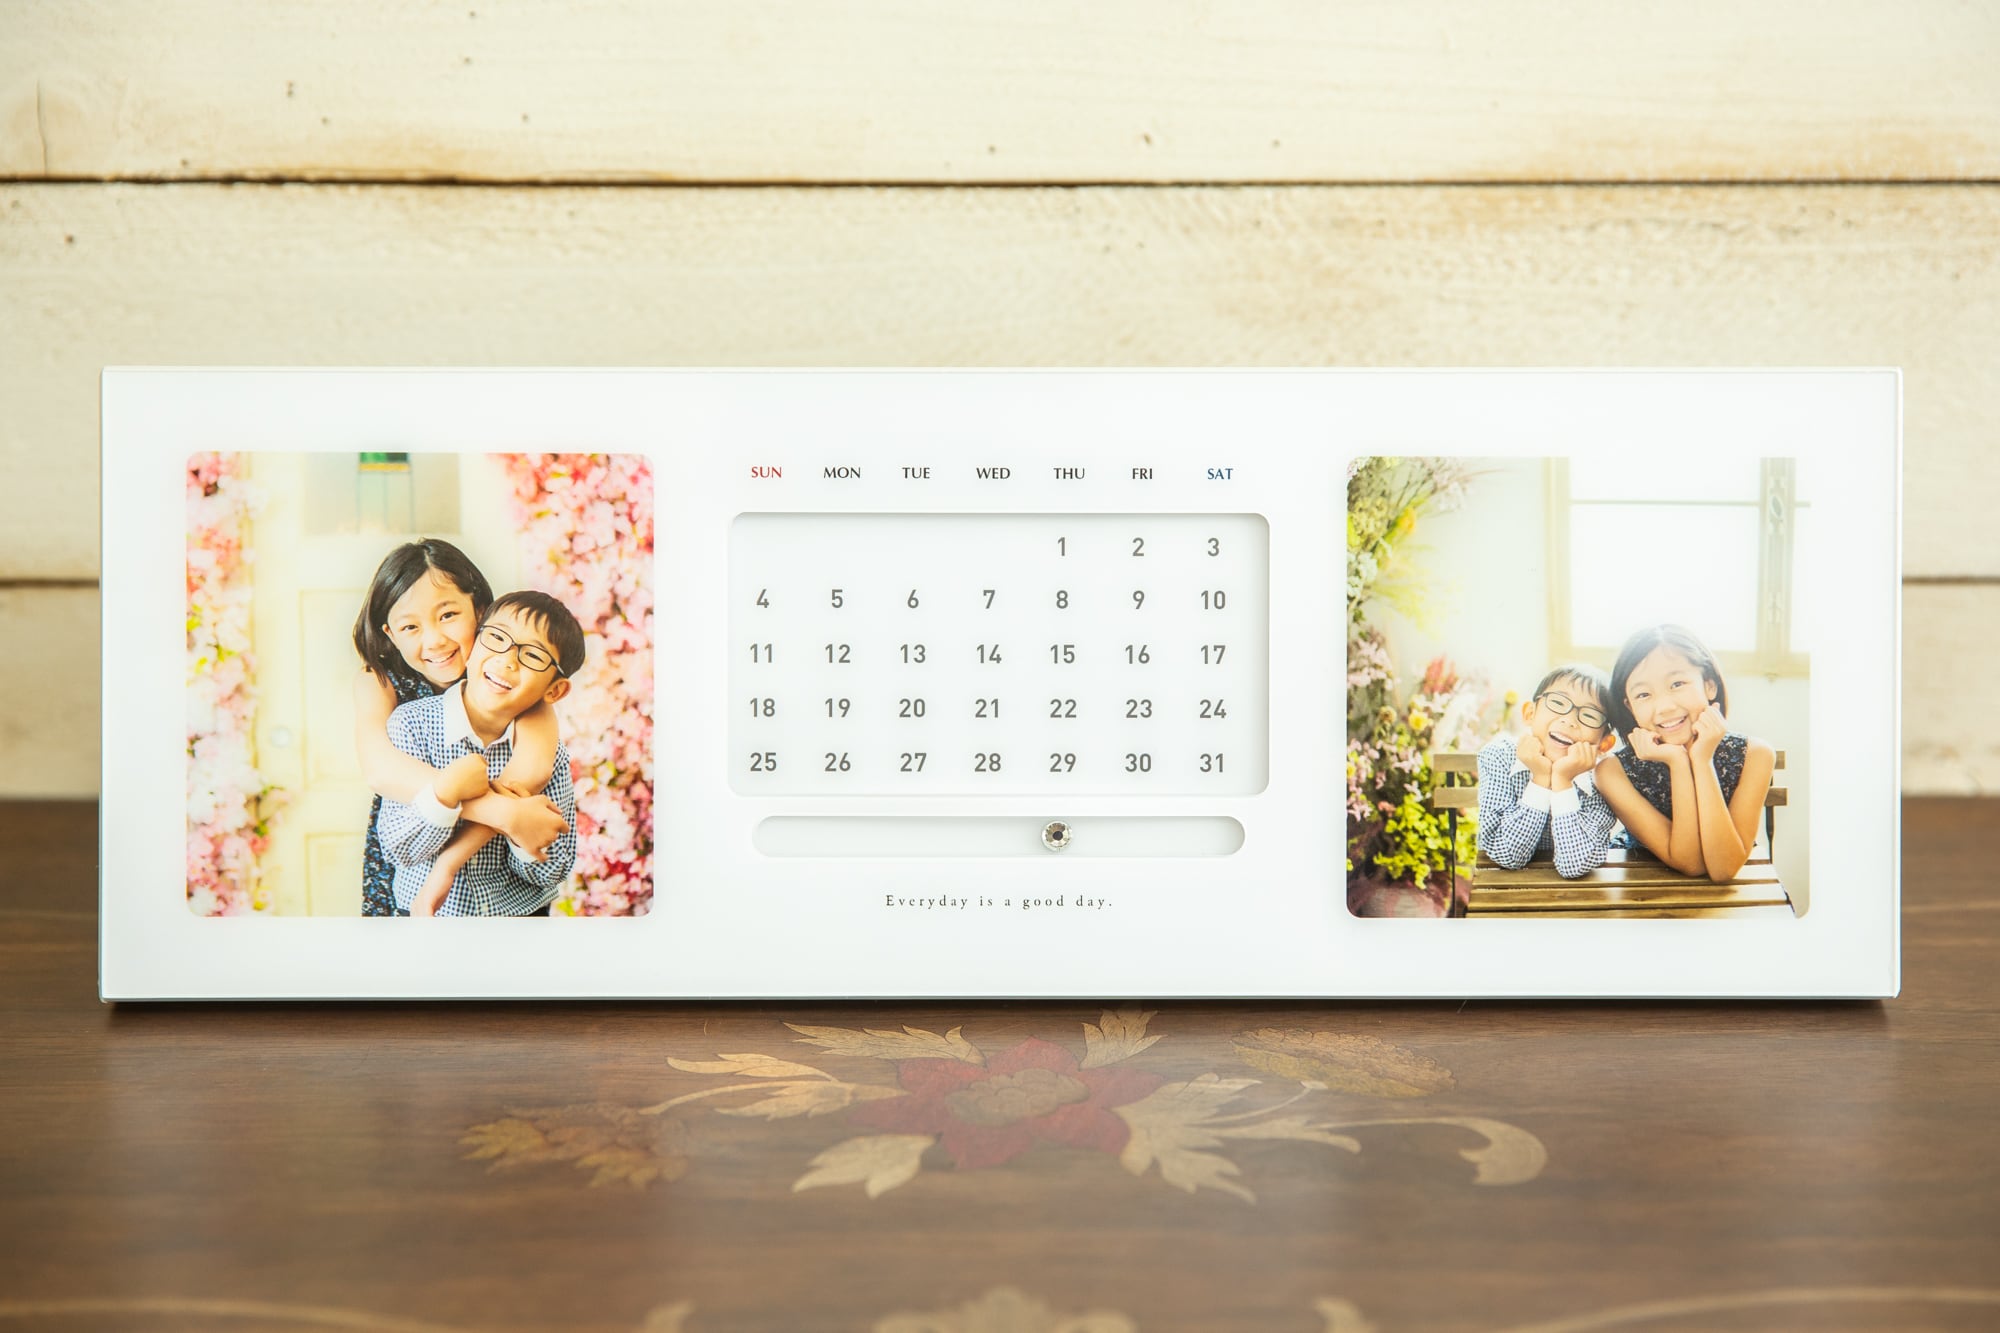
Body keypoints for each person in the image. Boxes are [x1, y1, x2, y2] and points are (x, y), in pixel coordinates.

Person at [351, 541, 564, 916]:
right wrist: (502, 813)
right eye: (410, 626)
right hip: (416, 852)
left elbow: (527, 776)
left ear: (479, 610)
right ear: (390, 634)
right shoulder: (380, 682)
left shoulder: (511, 684)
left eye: (448, 615)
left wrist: (491, 823)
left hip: (499, 882)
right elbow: (381, 771)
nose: (434, 640)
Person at [1594, 624, 1776, 882]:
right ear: (1629, 706)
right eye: (1643, 694)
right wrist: (1678, 762)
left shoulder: (1755, 755)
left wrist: (1702, 760)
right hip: (1642, 888)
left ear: (1709, 685)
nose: (1665, 706)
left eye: (1677, 683)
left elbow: (1723, 870)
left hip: (1724, 898)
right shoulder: (1611, 771)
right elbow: (1691, 864)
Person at [1475, 664, 1620, 879]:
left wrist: (1563, 781)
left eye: (1590, 716)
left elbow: (1575, 866)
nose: (1569, 720)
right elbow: (1506, 855)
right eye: (1558, 703)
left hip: (1575, 894)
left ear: (1604, 744)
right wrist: (1540, 779)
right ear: (1530, 714)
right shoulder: (1499, 756)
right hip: (1507, 886)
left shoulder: (1602, 777)